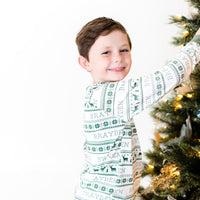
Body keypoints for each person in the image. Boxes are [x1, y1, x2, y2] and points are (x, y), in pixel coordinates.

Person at [74, 17, 200, 200]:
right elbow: (167, 78)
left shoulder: (95, 94)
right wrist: (196, 44)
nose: (118, 58)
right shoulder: (113, 95)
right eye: (106, 53)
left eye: (124, 50)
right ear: (86, 63)